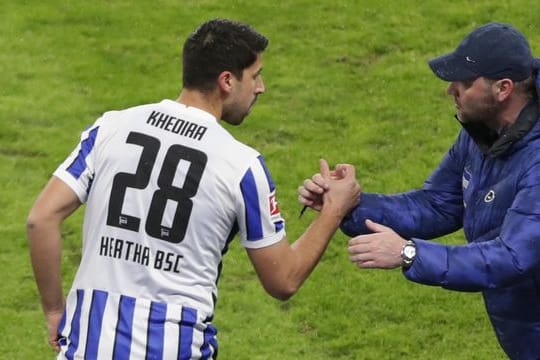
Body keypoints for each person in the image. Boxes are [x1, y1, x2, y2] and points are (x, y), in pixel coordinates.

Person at [27, 19, 360, 359]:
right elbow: (283, 279)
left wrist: (55, 311)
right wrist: (335, 208)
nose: (261, 87)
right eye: (256, 75)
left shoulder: (110, 127)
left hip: (88, 345)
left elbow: (41, 219)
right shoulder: (241, 165)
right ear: (227, 81)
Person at [298, 22, 540, 359]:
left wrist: (410, 253)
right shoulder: (483, 133)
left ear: (503, 89)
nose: (450, 91)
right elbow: (437, 204)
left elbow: (513, 258)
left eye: (465, 83)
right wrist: (347, 204)